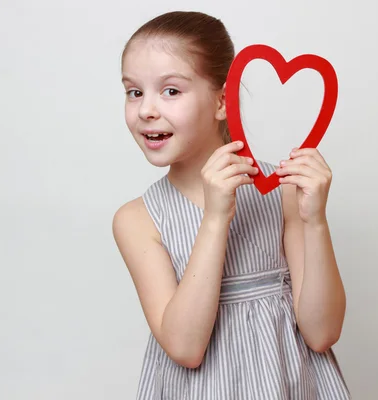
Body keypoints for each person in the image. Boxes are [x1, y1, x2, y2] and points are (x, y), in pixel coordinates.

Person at [112, 10, 350, 400]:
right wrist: (215, 218)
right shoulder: (137, 220)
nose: (145, 110)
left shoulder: (281, 192)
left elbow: (322, 333)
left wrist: (315, 222)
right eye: (134, 91)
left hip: (287, 386)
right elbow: (186, 348)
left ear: (222, 100)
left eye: (171, 90)